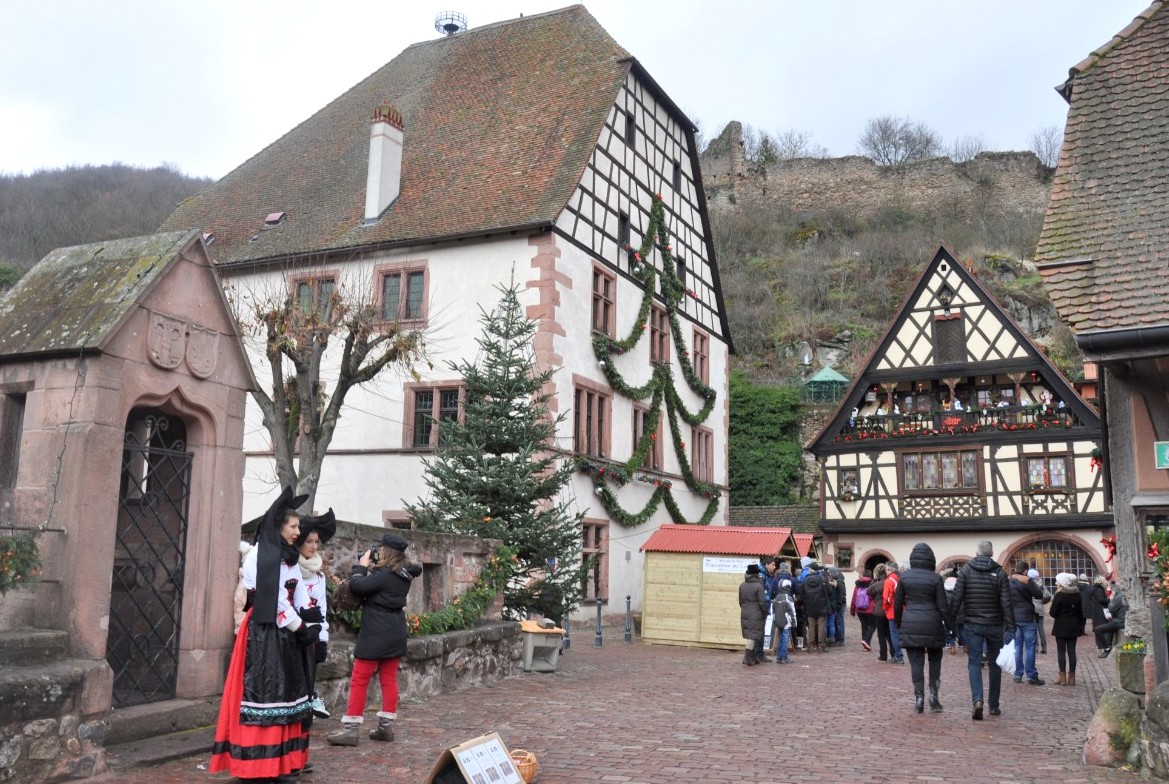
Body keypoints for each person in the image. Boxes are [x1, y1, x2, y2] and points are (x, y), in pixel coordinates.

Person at [211, 486, 316, 783]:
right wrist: (300, 626)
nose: (298, 532)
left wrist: (310, 618)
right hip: (264, 632)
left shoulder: (288, 556)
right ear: (280, 526)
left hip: (287, 635)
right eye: (294, 526)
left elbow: (297, 592)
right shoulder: (262, 554)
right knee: (265, 695)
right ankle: (258, 766)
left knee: (287, 697)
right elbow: (275, 598)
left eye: (298, 527)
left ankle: (280, 764)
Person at [328, 532, 423, 745]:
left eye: (380, 549)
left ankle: (351, 730)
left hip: (376, 632)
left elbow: (357, 586)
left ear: (386, 551)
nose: (378, 551)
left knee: (359, 679)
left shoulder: (385, 575)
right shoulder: (403, 574)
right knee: (388, 679)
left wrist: (361, 566)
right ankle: (385, 728)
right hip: (395, 630)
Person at [950, 540, 1014, 721]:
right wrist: (1011, 626)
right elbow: (1006, 602)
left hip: (973, 624)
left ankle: (977, 700)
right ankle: (993, 705)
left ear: (977, 553)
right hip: (995, 624)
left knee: (974, 663)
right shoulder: (1000, 572)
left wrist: (951, 621)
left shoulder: (966, 571)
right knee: (995, 664)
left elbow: (957, 597)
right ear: (991, 553)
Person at [894, 543, 950, 713]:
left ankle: (919, 697)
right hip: (932, 621)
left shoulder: (904, 577)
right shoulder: (935, 578)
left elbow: (897, 605)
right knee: (934, 659)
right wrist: (950, 625)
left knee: (916, 662)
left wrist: (899, 622)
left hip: (911, 621)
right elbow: (943, 605)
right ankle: (934, 694)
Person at [295, 509, 336, 720]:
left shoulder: (319, 577)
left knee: (308, 672)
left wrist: (322, 639)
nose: (313, 546)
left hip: (312, 632)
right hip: (291, 630)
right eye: (309, 541)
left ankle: (310, 700)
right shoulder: (289, 568)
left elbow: (321, 609)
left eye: (316, 542)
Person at [1008, 561, 1045, 685]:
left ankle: (1018, 674)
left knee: (1017, 647)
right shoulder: (1027, 580)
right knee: (1030, 647)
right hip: (1027, 616)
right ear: (1025, 571)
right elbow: (1039, 595)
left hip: (1014, 617)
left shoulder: (1009, 580)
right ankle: (1031, 675)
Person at [1049, 573, 1085, 686]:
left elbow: (1053, 613)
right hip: (1073, 626)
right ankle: (1072, 678)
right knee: (1072, 652)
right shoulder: (1077, 594)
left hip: (1061, 626)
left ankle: (1063, 677)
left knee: (1061, 651)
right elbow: (1080, 613)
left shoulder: (1059, 595)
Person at [738, 563, 767, 666]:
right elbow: (762, 602)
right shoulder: (759, 586)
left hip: (745, 612)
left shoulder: (742, 585)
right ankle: (747, 657)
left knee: (751, 635)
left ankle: (753, 657)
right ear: (756, 574)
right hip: (756, 613)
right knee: (753, 636)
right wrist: (764, 612)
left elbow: (740, 601)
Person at [801, 562, 831, 653]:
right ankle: (821, 646)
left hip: (810, 606)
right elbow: (829, 591)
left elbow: (802, 594)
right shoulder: (823, 579)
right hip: (821, 605)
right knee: (821, 625)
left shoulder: (806, 580)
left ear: (811, 569)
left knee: (811, 626)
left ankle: (811, 645)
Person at [771, 562, 797, 664]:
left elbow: (773, 609)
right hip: (787, 621)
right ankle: (784, 657)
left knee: (781, 638)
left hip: (778, 620)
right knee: (785, 638)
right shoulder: (788, 597)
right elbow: (792, 611)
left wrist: (774, 618)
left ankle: (779, 656)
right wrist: (794, 622)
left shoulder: (777, 597)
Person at [1090, 576, 1121, 656]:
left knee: (1099, 627)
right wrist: (1109, 599)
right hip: (1101, 611)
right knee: (1103, 628)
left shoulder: (1094, 589)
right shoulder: (1099, 590)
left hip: (1096, 611)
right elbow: (1101, 600)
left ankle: (1102, 646)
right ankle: (1106, 646)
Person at [868, 564, 892, 661]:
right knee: (890, 634)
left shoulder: (878, 584)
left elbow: (869, 591)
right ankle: (894, 653)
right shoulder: (890, 581)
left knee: (881, 634)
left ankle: (883, 655)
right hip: (889, 610)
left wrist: (874, 579)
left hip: (879, 611)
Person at [882, 561, 905, 664]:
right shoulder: (901, 579)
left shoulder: (889, 581)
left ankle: (898, 656)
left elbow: (886, 598)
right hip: (902, 610)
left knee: (894, 634)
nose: (885, 572)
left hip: (892, 610)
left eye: (886, 569)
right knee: (900, 634)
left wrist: (885, 608)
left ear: (891, 569)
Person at [850, 569, 877, 652]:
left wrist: (852, 609)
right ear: (870, 576)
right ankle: (866, 640)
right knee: (873, 626)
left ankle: (866, 646)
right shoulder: (873, 584)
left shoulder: (857, 584)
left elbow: (854, 597)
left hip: (859, 610)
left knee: (864, 626)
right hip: (870, 609)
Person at [1029, 567, 1051, 655]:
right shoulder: (1041, 583)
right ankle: (1044, 647)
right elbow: (1047, 595)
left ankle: (1036, 647)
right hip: (1040, 608)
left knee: (1033, 628)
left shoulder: (1030, 584)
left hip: (1032, 607)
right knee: (1041, 628)